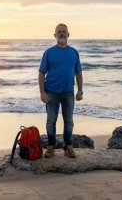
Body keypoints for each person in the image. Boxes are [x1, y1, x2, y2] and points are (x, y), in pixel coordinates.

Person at [38, 23, 83, 158]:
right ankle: (51, 147)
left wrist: (80, 91)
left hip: (68, 92)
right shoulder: (49, 53)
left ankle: (68, 146)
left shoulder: (74, 52)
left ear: (68, 35)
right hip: (51, 92)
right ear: (55, 35)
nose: (62, 33)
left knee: (69, 121)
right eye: (59, 31)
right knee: (51, 121)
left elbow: (78, 73)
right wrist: (42, 92)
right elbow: (41, 73)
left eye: (64, 31)